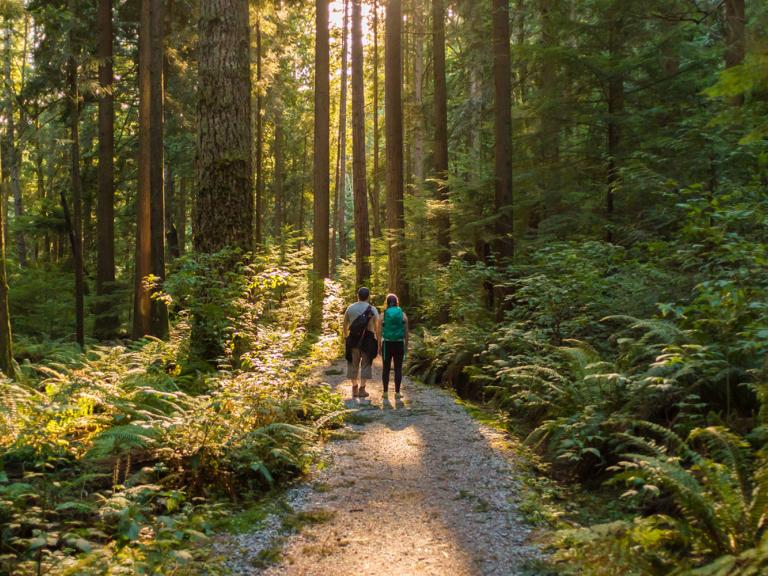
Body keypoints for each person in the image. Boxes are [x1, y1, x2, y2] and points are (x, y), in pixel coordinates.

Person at [343, 287, 380, 398]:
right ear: (368, 296)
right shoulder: (372, 309)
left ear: (357, 296)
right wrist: (378, 341)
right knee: (366, 364)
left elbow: (344, 325)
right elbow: (377, 328)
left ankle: (354, 388)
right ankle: (362, 389)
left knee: (353, 363)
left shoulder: (350, 308)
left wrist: (346, 338)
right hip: (368, 340)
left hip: (353, 339)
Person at [379, 293, 408, 398]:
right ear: (397, 302)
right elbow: (406, 332)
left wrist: (379, 346)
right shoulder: (403, 315)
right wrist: (406, 345)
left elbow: (379, 332)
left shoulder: (383, 315)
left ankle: (385, 392)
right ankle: (397, 393)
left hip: (386, 344)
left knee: (385, 368)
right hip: (399, 343)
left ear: (387, 303)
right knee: (398, 368)